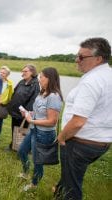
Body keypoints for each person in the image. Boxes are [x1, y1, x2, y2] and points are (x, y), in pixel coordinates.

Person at [55, 37, 112, 200]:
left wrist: (62, 136)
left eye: (81, 57)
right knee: (68, 178)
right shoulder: (108, 75)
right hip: (101, 141)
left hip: (80, 142)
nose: (76, 60)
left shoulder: (92, 81)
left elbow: (79, 121)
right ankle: (58, 194)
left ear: (98, 59)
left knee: (71, 188)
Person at [18, 67, 63, 191]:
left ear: (49, 78)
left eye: (41, 77)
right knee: (21, 151)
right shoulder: (42, 93)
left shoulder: (54, 96)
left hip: (43, 134)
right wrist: (29, 113)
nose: (39, 78)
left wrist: (31, 120)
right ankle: (26, 172)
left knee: (37, 161)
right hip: (34, 130)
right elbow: (40, 112)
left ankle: (34, 184)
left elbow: (52, 121)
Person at [6, 64, 40, 151]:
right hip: (15, 111)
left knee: (23, 130)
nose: (23, 73)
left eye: (25, 71)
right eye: (23, 71)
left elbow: (33, 100)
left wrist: (25, 112)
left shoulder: (35, 84)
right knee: (15, 128)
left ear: (32, 72)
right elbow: (15, 92)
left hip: (24, 113)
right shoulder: (22, 81)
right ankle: (14, 145)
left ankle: (22, 149)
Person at [0, 66, 14, 145]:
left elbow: (11, 96)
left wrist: (8, 105)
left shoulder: (9, 84)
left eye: (3, 73)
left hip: (2, 106)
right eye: (0, 72)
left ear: (7, 74)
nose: (1, 74)